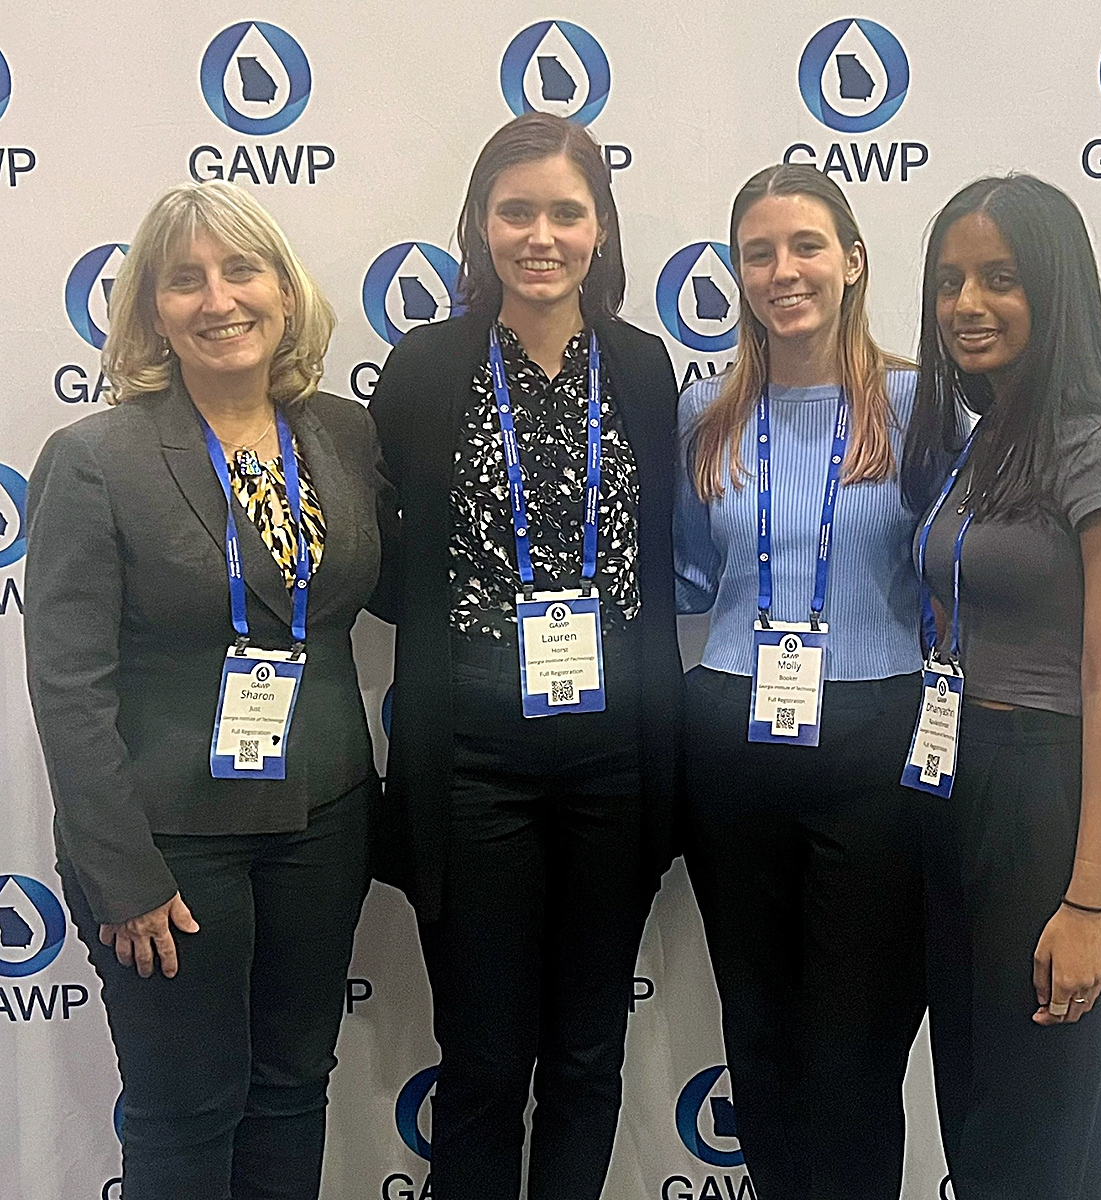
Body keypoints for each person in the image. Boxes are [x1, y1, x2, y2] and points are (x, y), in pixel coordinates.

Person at [23, 180, 394, 1200]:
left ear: (284, 290)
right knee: (183, 1112)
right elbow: (66, 685)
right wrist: (121, 873)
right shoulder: (94, 460)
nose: (219, 298)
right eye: (184, 280)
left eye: (242, 270)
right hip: (167, 844)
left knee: (289, 1089)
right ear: (150, 310)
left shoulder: (343, 435)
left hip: (321, 824)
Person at [367, 111, 682, 1200]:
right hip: (474, 765)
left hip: (615, 762)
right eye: (516, 211)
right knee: (489, 1063)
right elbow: (382, 553)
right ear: (480, 225)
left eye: (565, 211)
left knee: (589, 1059)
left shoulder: (644, 370)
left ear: (600, 227)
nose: (540, 235)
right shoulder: (425, 368)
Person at [901, 174, 1101, 1199]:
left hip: (1050, 794)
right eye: (950, 280)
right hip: (957, 784)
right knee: (978, 1119)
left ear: (1054, 292)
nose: (967, 303)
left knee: (1038, 1136)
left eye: (1000, 279)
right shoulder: (987, 437)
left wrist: (1087, 901)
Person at [674, 163, 926, 1199]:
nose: (784, 271)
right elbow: (694, 574)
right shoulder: (706, 414)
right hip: (734, 735)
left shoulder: (924, 407)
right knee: (763, 1035)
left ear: (854, 260)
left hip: (880, 739)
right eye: (760, 253)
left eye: (806, 246)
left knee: (857, 1047)